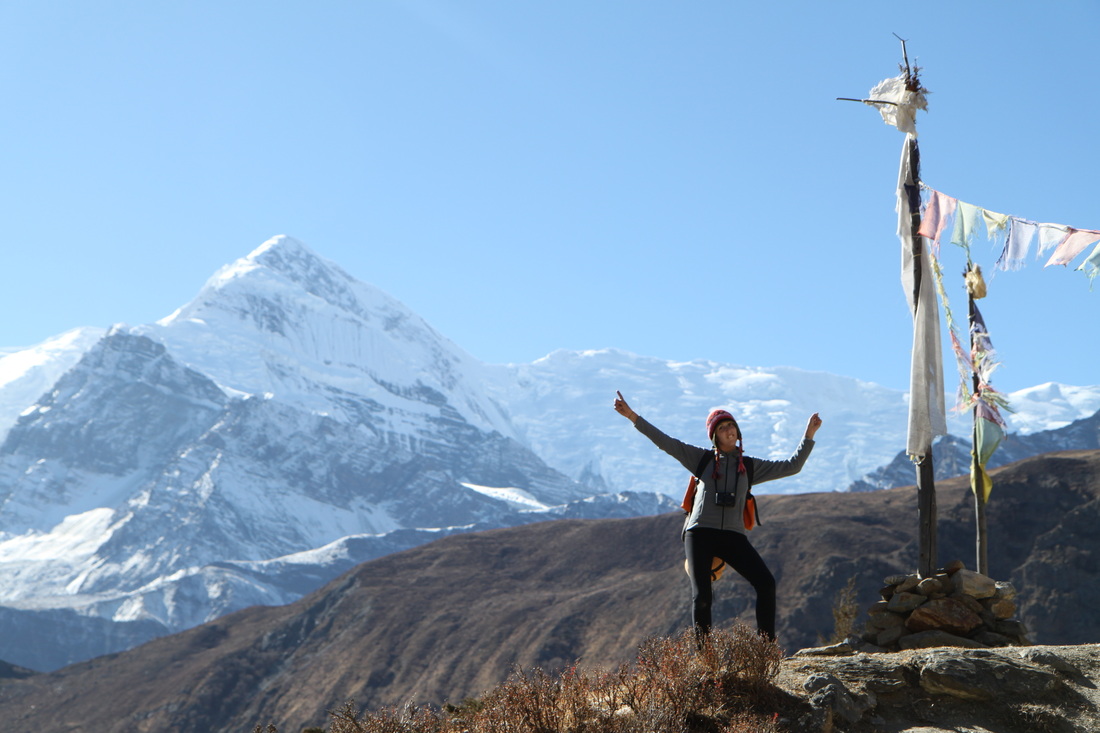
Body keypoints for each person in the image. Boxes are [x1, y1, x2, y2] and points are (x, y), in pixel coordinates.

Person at [613, 390, 822, 641]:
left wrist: (808, 435)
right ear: (714, 435)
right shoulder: (701, 459)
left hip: (733, 536)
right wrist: (633, 417)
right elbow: (666, 442)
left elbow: (792, 466)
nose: (728, 430)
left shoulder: (750, 466)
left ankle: (765, 648)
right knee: (702, 596)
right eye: (722, 427)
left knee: (766, 583)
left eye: (731, 425)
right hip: (700, 533)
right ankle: (705, 656)